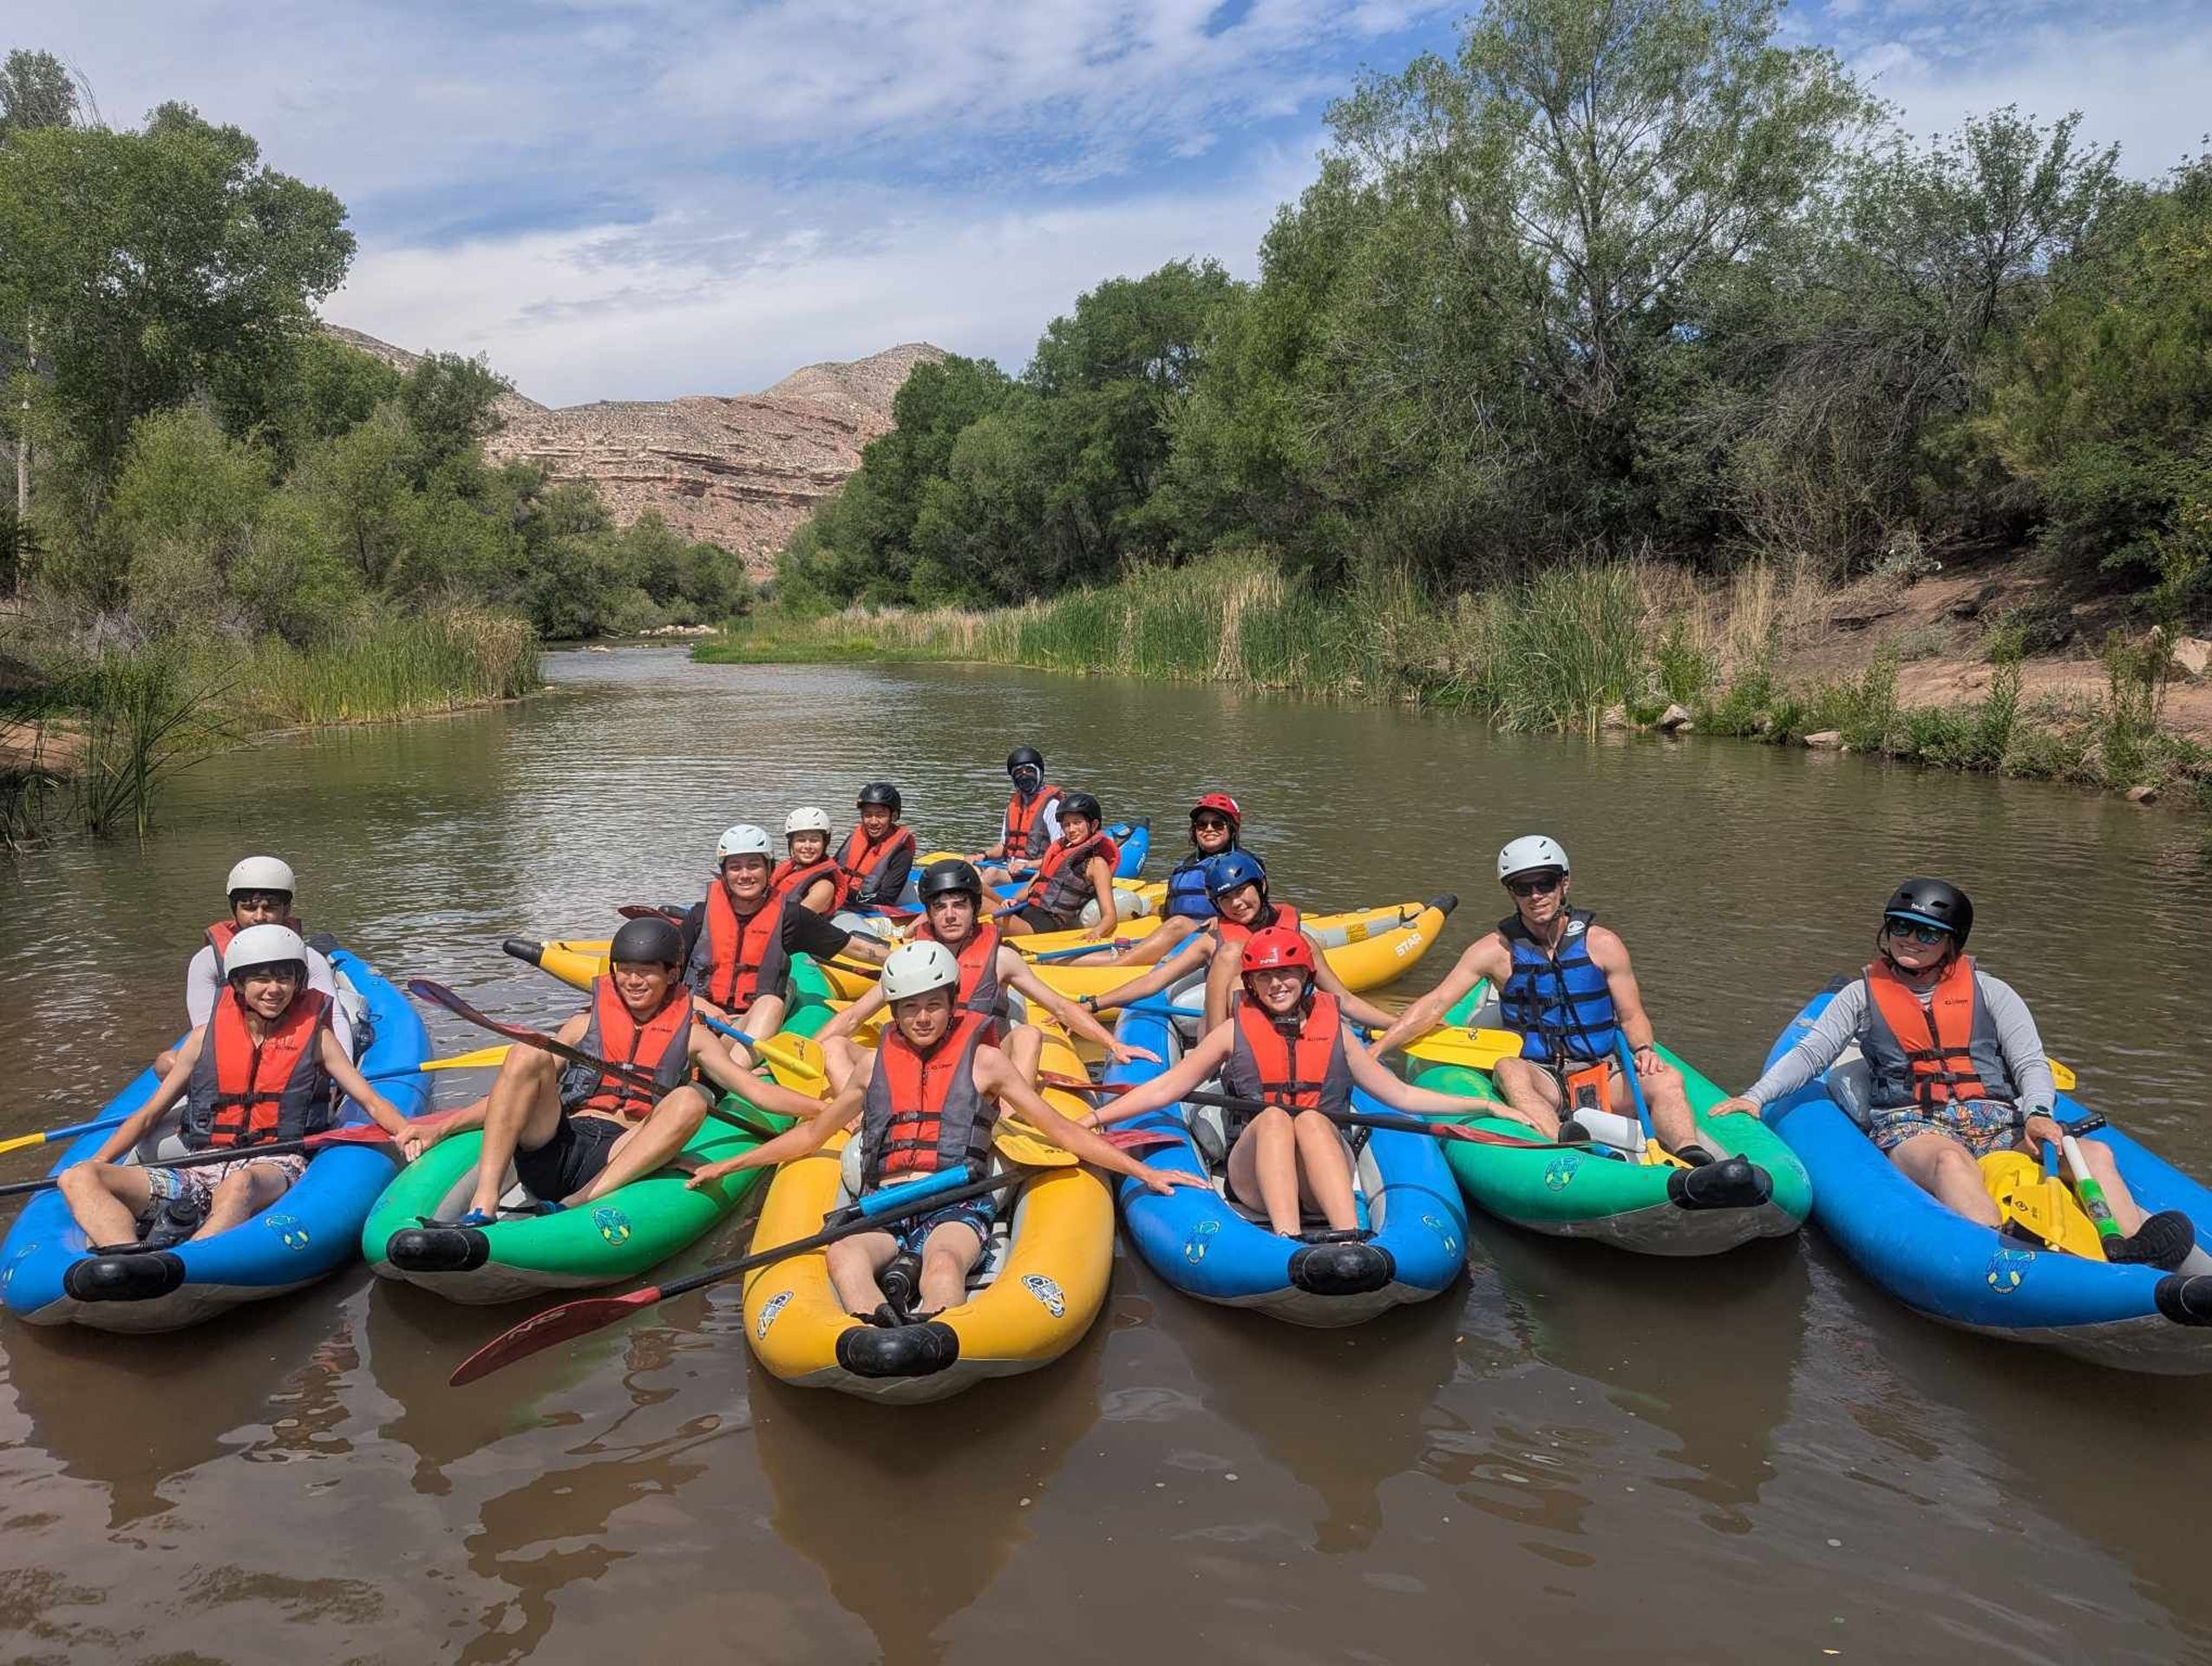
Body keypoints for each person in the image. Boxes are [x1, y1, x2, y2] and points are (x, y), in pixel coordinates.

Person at [686, 941, 1205, 1324]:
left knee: (941, 1262)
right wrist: (728, 1164)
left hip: (959, 1201)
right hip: (883, 1203)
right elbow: (809, 1137)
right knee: (845, 1255)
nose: (922, 1017)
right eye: (910, 1007)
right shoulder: (871, 1069)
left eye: (934, 1004)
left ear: (953, 1002)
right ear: (893, 1011)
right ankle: (877, 1332)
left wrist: (1143, 1173)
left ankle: (939, 1335)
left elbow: (1064, 1133)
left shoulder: (986, 1063)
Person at [1711, 879, 2194, 1264]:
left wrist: (2039, 1113)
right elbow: (1813, 1053)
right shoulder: (1860, 995)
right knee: (1951, 1162)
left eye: (1927, 933)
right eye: (1901, 928)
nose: (1910, 941)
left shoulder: (1993, 992)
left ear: (1951, 943)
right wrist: (1756, 1097)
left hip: (1996, 1122)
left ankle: (2133, 1245)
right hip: (1912, 1126)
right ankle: (2000, 1246)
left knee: (2093, 1151)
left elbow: (2028, 1061)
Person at [1092, 928, 1483, 1238]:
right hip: (1254, 1179)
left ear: (1305, 978)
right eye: (1265, 977)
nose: (1277, 985)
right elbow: (1165, 1088)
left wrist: (1484, 1106)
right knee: (1276, 1117)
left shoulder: (1339, 1033)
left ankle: (1349, 1237)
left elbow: (1399, 1094)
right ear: (1252, 985)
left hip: (1322, 1175)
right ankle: (1286, 1239)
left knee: (1313, 1120)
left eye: (1286, 974)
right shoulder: (1232, 1032)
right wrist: (1095, 1120)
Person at [61, 926, 422, 1250]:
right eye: (261, 979)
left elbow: (370, 1101)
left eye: (285, 978)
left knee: (239, 1184)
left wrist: (407, 1131)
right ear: (238, 984)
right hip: (197, 1171)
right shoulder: (204, 1040)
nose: (274, 989)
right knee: (78, 1176)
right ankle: (125, 1257)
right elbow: (149, 1115)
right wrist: (100, 1162)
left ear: (298, 983)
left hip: (274, 1165)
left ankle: (189, 1261)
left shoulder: (318, 1039)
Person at [426, 916, 808, 1223]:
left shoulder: (693, 1037)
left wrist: (826, 1111)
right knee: (526, 1054)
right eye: (624, 970)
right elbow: (513, 1092)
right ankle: (485, 1198)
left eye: (646, 971)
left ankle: (580, 1201)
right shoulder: (582, 1025)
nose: (633, 981)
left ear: (673, 974)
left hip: (618, 1153)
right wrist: (441, 1126)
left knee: (692, 1099)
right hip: (557, 1145)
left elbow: (754, 1092)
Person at [1367, 836, 1706, 1158]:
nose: (1536, 895)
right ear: (1511, 893)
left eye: (1545, 882)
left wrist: (1645, 1049)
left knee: (1668, 1079)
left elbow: (1632, 1017)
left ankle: (1693, 1158)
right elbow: (1436, 1004)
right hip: (1543, 1077)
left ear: (1564, 883)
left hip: (1605, 1073)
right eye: (1522, 887)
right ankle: (1566, 1148)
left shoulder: (1603, 944)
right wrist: (1377, 1051)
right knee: (1508, 1069)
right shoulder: (1493, 951)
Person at [815, 859, 1155, 1090]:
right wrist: (805, 1050)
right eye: (940, 907)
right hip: (920, 1064)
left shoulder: (1002, 959)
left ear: (975, 909)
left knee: (1027, 1036)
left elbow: (1060, 1007)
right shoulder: (908, 959)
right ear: (929, 913)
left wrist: (1113, 1043)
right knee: (833, 1048)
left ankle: (1009, 1119)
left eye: (959, 905)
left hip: (980, 1065)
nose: (950, 916)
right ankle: (861, 1123)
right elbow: (855, 1016)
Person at [1076, 851, 1396, 1034]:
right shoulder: (1213, 942)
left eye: (1242, 891)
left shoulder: (1302, 941)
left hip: (1288, 1025)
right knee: (1230, 952)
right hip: (1226, 1034)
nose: (1237, 904)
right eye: (1225, 898)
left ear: (1261, 886)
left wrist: (1400, 1024)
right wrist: (1093, 1004)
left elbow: (1345, 1000)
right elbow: (1153, 982)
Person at [160, 856, 353, 1071]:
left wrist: (342, 1077)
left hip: (296, 1061)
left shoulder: (310, 959)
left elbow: (334, 1018)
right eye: (249, 908)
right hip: (233, 1060)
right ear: (234, 910)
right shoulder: (207, 962)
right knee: (166, 1064)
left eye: (270, 908)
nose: (259, 917)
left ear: (286, 910)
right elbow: (205, 1028)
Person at [776, 806, 891, 968]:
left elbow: (793, 922)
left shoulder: (824, 885)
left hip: (803, 940)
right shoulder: (789, 869)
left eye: (814, 840)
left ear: (824, 843)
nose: (807, 846)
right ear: (791, 842)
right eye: (801, 840)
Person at [998, 792, 1119, 940]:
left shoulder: (1096, 864)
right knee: (980, 895)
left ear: (1093, 825)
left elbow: (1110, 916)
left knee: (984, 909)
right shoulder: (1057, 853)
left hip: (1046, 926)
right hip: (1027, 912)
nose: (1071, 829)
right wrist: (1013, 900)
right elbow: (1031, 886)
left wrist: (1096, 932)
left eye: (1077, 822)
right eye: (1066, 825)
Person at [976, 745, 1063, 886]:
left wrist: (1028, 865)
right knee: (971, 867)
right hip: (1010, 869)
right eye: (1018, 772)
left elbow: (1060, 854)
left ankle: (971, 900)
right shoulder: (1013, 805)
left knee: (992, 873)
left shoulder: (1052, 806)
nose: (1024, 775)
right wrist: (983, 855)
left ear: (1039, 772)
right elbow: (1003, 846)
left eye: (1029, 770)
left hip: (1035, 873)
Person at [834, 783, 916, 910]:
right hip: (841, 898)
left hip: (867, 909)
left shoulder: (902, 854)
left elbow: (886, 900)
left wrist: (843, 893)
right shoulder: (856, 836)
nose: (873, 822)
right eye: (868, 815)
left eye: (880, 815)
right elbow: (832, 867)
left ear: (893, 816)